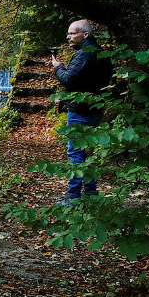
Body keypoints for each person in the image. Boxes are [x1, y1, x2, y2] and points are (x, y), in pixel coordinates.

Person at [51, 19, 113, 202]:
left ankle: (73, 196)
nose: (68, 37)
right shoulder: (101, 53)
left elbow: (69, 80)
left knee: (76, 153)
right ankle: (91, 192)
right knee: (88, 151)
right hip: (96, 108)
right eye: (68, 33)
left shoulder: (84, 54)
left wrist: (58, 69)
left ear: (85, 35)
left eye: (72, 33)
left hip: (80, 110)